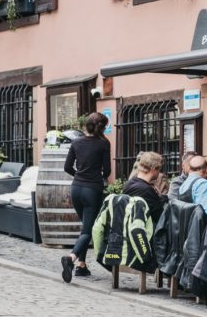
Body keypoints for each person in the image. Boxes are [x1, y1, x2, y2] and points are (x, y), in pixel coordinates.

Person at [61, 112, 112, 283]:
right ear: (102, 127)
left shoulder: (76, 142)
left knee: (86, 226)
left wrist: (79, 175)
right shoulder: (104, 143)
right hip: (92, 190)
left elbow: (67, 167)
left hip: (76, 188)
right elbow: (108, 171)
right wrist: (96, 177)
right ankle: (71, 258)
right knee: (87, 230)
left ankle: (81, 266)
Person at [123, 151, 168, 222]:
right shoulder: (146, 190)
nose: (159, 173)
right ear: (153, 169)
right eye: (159, 170)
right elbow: (160, 216)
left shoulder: (128, 184)